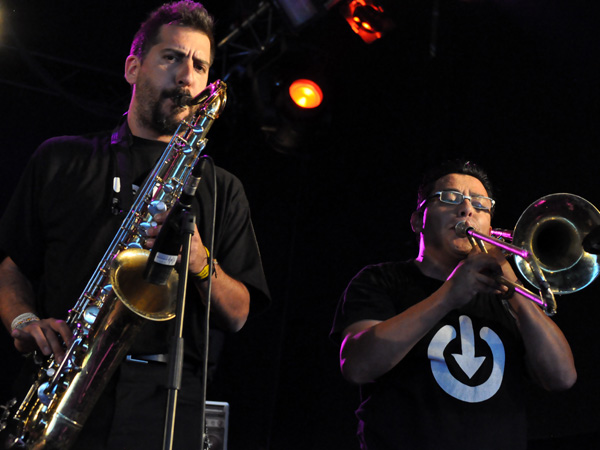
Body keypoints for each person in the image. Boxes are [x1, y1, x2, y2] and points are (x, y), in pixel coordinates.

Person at [0, 1, 270, 449]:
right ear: (132, 67)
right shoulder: (61, 158)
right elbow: (11, 264)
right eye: (172, 57)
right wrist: (23, 319)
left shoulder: (223, 189)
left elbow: (239, 313)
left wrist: (200, 260)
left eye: (200, 66)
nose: (186, 75)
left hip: (165, 402)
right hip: (59, 380)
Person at [330, 160, 576, 450]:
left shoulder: (505, 293)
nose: (467, 209)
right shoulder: (380, 280)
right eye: (449, 198)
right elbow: (358, 365)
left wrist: (517, 292)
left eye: (481, 204)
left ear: (490, 226)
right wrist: (449, 295)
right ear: (417, 219)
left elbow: (562, 378)